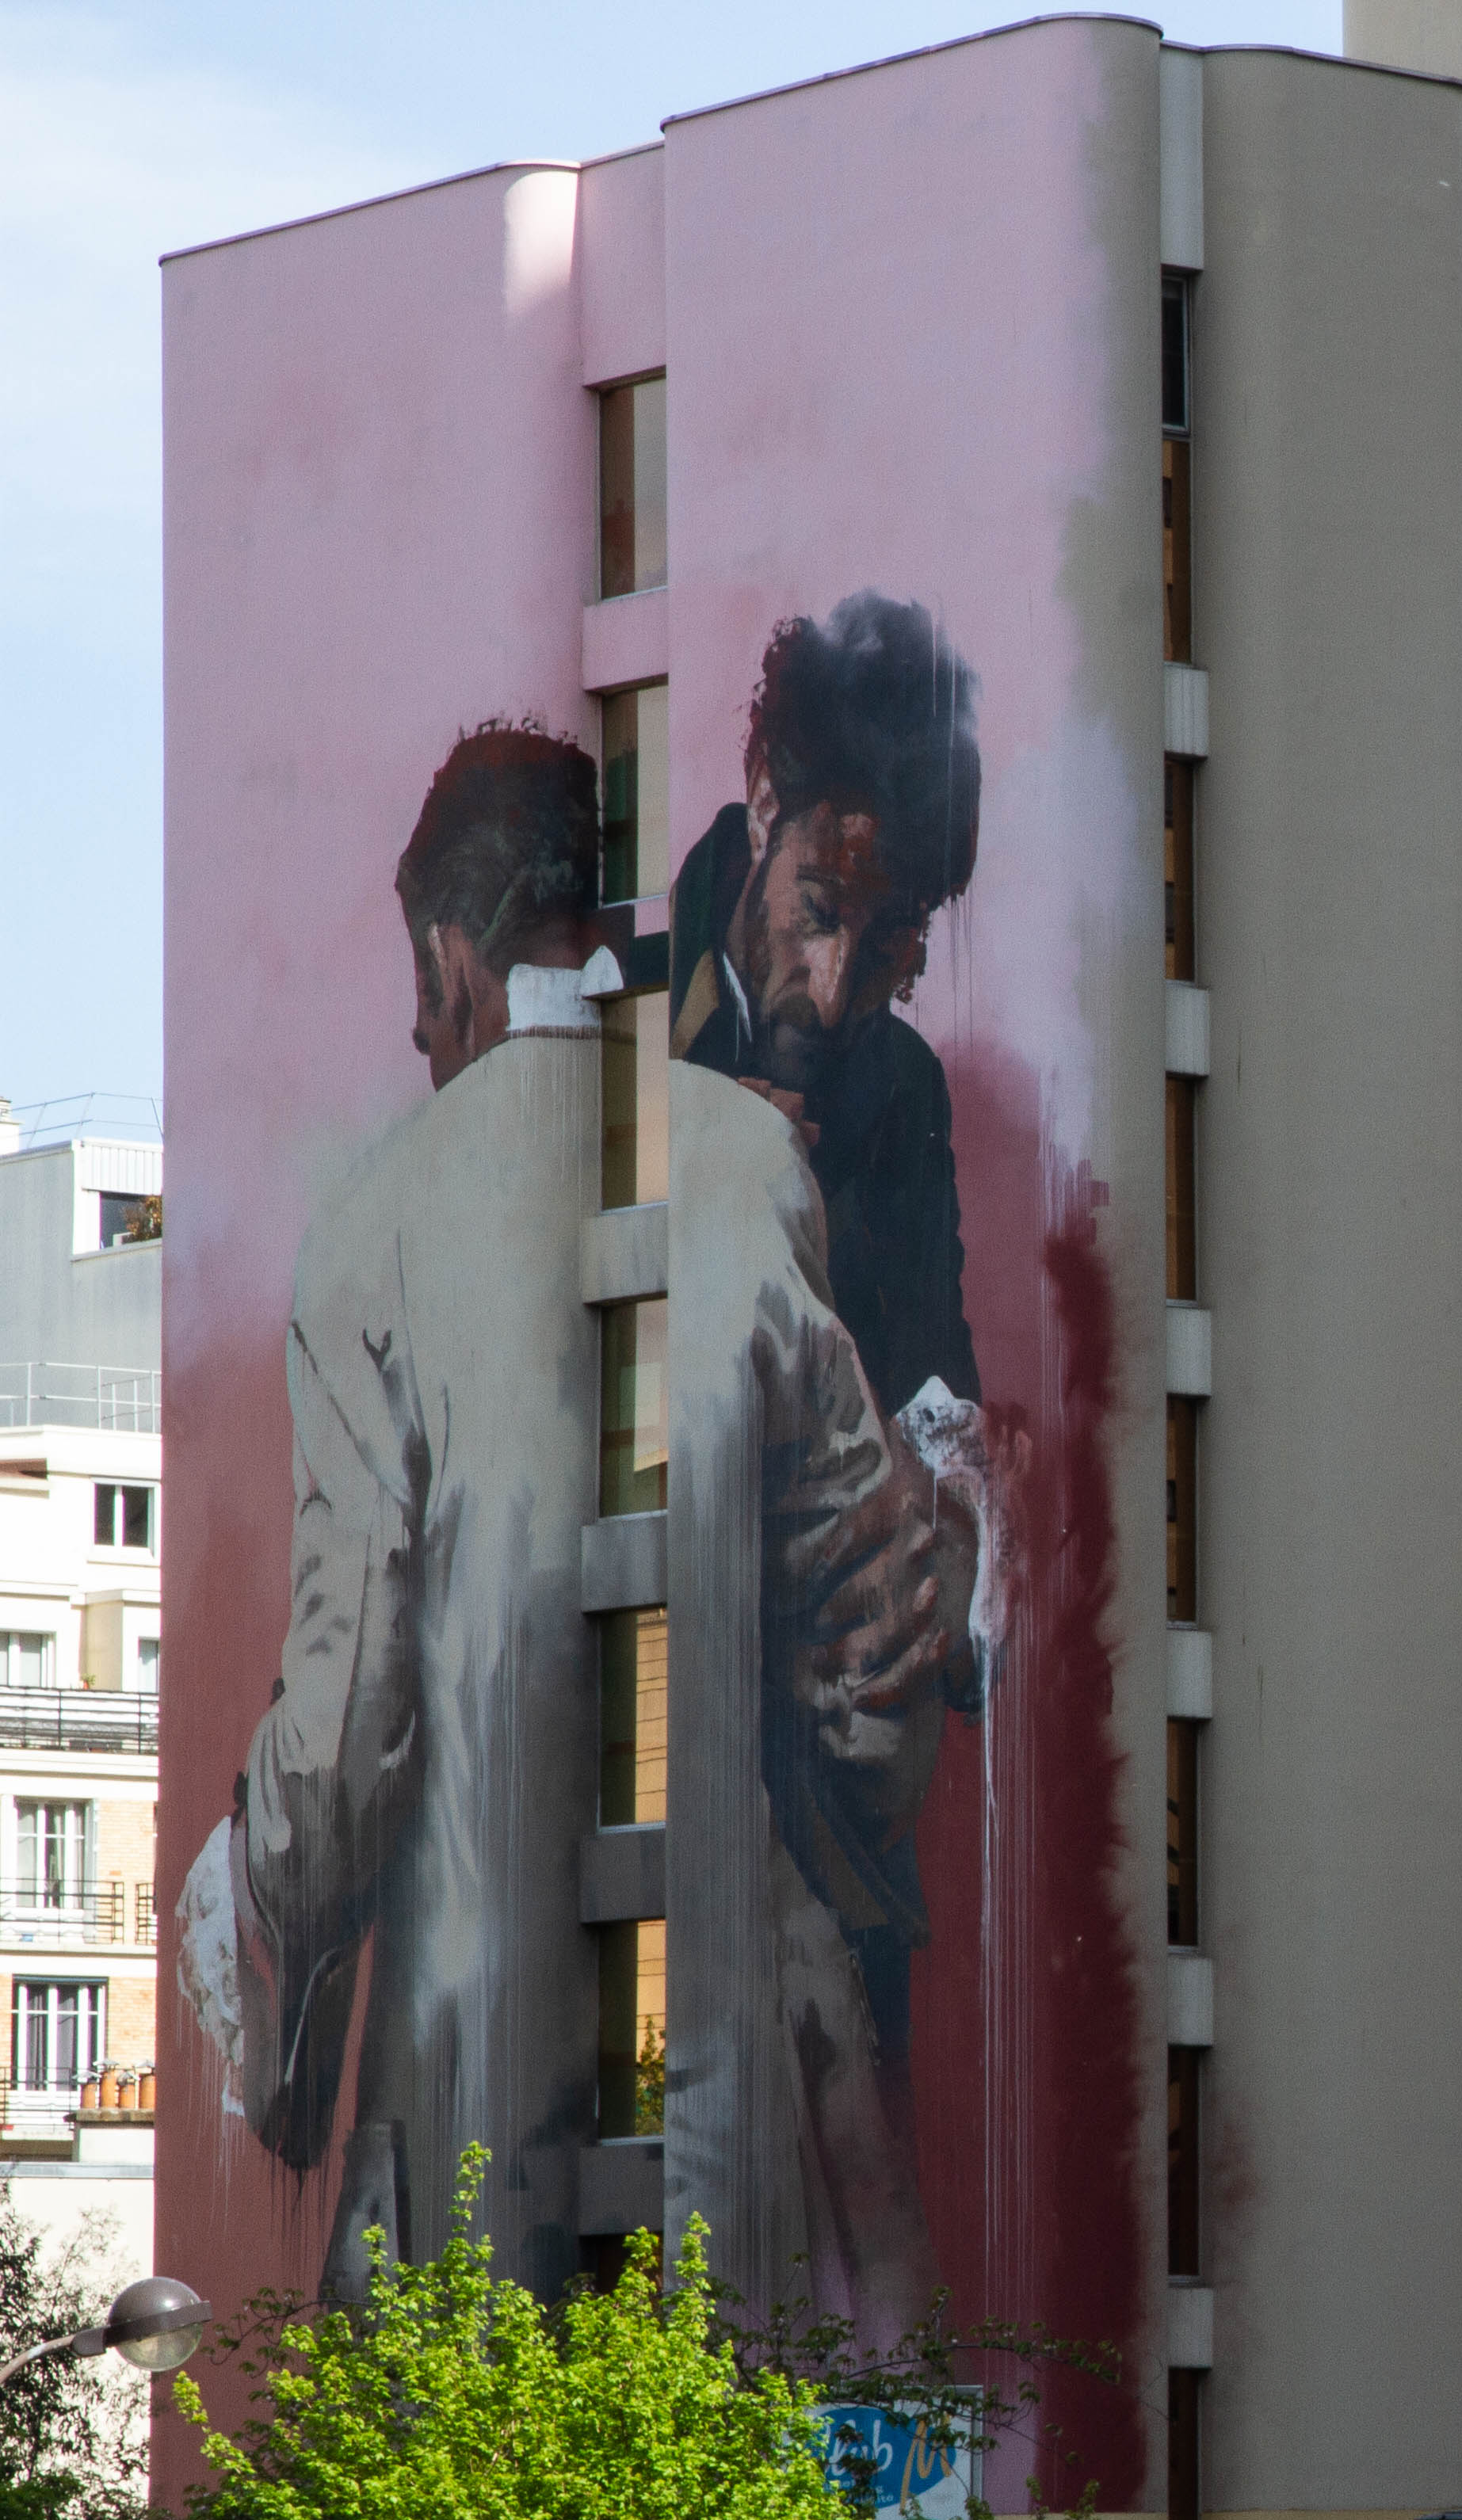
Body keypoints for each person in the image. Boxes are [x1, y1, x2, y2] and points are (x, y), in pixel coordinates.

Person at [175, 722, 950, 2312]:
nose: (417, 1028)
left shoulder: (373, 1224)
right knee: (727, 2455)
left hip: (464, 2120)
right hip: (727, 2103)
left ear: (449, 956)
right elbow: (874, 1628)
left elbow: (345, 1723)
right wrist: (819, 1814)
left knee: (450, 2465)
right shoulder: (747, 1159)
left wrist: (234, 1903)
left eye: (420, 989)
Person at [672, 592, 983, 1419]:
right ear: (763, 807)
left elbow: (938, 1392)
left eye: (887, 945)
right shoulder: (629, 1003)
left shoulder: (908, 1089)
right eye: (818, 911)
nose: (834, 992)